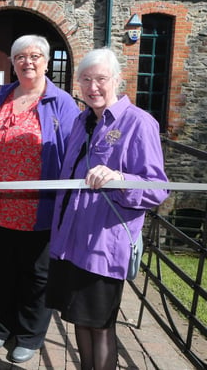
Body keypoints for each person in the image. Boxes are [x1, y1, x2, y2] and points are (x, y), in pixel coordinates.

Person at [46, 48, 169, 370]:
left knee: (100, 326)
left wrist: (120, 178)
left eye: (101, 79)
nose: (93, 87)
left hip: (103, 246)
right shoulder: (82, 121)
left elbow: (157, 187)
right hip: (72, 242)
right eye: (85, 80)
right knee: (80, 321)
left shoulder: (138, 123)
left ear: (117, 80)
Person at [0, 35, 79, 363]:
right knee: (2, 269)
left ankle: (29, 333)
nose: (27, 62)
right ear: (12, 63)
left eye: (35, 56)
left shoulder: (61, 103)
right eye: (20, 57)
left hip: (37, 207)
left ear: (46, 61)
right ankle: (0, 326)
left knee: (36, 274)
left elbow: (73, 153)